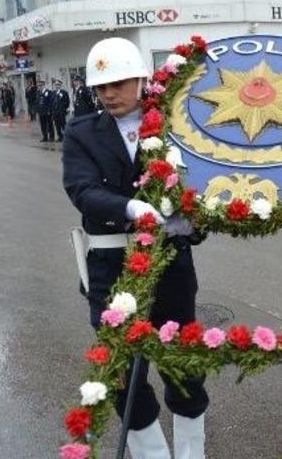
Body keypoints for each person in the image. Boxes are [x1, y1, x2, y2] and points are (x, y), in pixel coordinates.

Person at [62, 37, 208, 459]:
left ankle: (191, 453)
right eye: (101, 87)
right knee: (122, 371)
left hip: (170, 263)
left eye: (119, 84)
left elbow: (202, 184)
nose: (109, 94)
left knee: (181, 364)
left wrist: (193, 219)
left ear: (142, 80)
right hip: (110, 264)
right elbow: (82, 189)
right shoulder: (81, 132)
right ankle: (152, 454)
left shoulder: (173, 126)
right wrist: (130, 207)